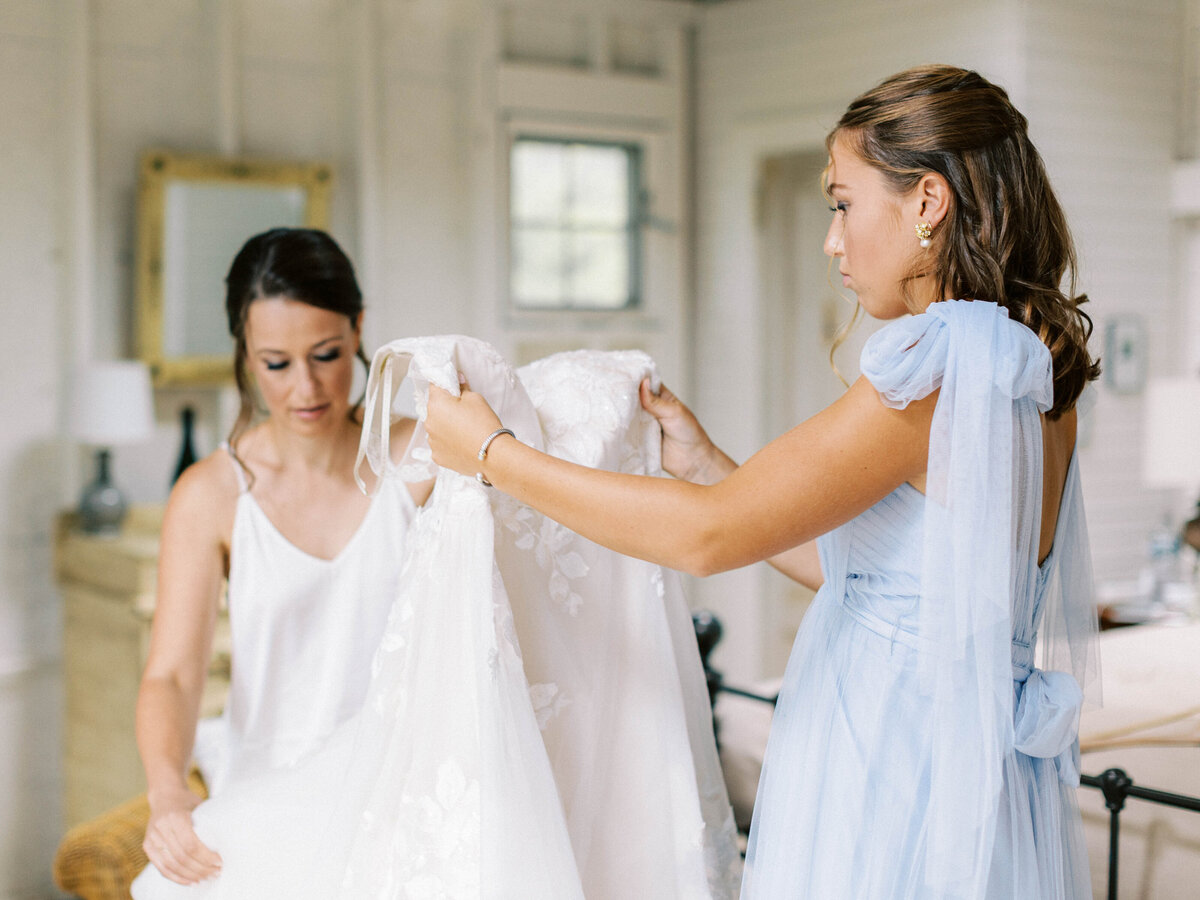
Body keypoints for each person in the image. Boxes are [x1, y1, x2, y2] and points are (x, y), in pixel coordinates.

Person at [426, 64, 1102, 898]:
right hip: (960, 767)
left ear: (928, 202)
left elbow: (703, 538)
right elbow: (891, 586)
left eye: (843, 203)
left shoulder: (939, 370)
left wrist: (490, 451)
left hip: (888, 767)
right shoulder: (1032, 371)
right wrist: (709, 464)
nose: (832, 240)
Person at [133, 228, 432, 889]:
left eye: (326, 354)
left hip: (402, 790)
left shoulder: (418, 460)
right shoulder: (210, 494)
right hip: (265, 794)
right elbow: (174, 676)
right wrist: (166, 792)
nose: (307, 388)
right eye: (276, 363)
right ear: (245, 355)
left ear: (358, 330)